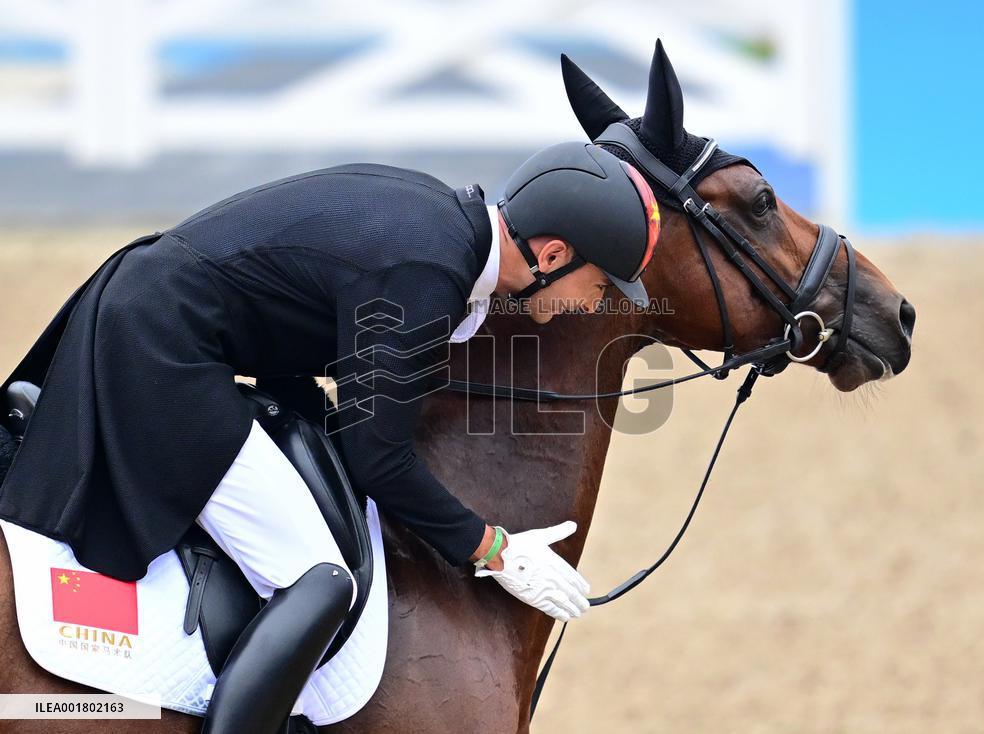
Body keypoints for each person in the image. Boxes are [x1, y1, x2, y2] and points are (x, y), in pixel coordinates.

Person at [0, 141, 660, 732]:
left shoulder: (445, 228)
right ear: (552, 254)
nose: (594, 304)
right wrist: (493, 548)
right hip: (161, 352)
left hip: (174, 325)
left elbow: (291, 310)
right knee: (317, 578)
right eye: (600, 286)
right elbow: (380, 460)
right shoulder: (427, 272)